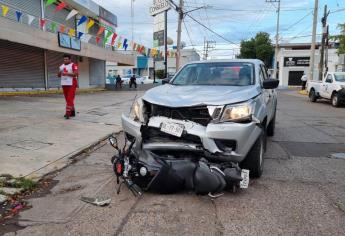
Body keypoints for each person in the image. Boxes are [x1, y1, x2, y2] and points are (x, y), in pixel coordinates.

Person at [58, 54, 78, 119]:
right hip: (64, 84)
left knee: (69, 99)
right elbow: (58, 75)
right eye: (64, 59)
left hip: (72, 83)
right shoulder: (62, 66)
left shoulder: (73, 65)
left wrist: (66, 73)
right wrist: (59, 72)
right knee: (68, 99)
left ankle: (68, 113)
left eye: (66, 59)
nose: (65, 60)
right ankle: (73, 112)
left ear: (70, 59)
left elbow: (76, 74)